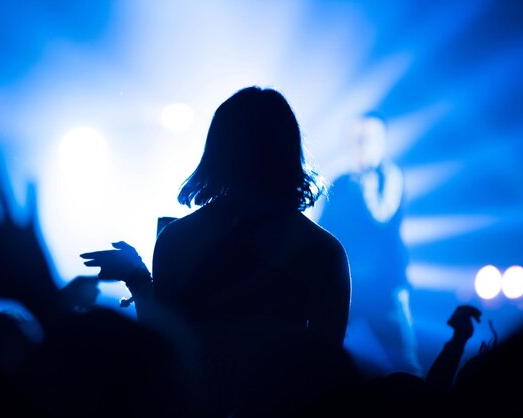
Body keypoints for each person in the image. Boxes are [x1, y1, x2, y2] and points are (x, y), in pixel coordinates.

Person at [82, 86, 353, 417]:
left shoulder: (176, 238)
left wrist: (139, 280)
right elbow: (328, 374)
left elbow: (162, 351)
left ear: (219, 149)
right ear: (288, 149)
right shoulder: (323, 251)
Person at [316, 111, 422, 378]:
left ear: (382, 141)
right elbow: (322, 230)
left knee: (406, 366)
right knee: (323, 355)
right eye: (356, 138)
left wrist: (367, 186)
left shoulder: (390, 177)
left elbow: (382, 215)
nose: (361, 144)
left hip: (385, 289)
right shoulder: (341, 183)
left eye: (368, 138)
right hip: (347, 286)